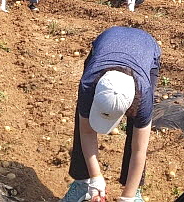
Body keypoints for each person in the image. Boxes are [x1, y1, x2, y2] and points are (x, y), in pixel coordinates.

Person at [61, 26, 161, 202]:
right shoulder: (88, 84)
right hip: (107, 42)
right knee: (82, 118)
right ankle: (83, 182)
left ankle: (133, 191)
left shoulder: (143, 96)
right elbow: (86, 131)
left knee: (136, 133)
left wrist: (127, 198)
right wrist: (96, 178)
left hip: (146, 49)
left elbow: (139, 150)